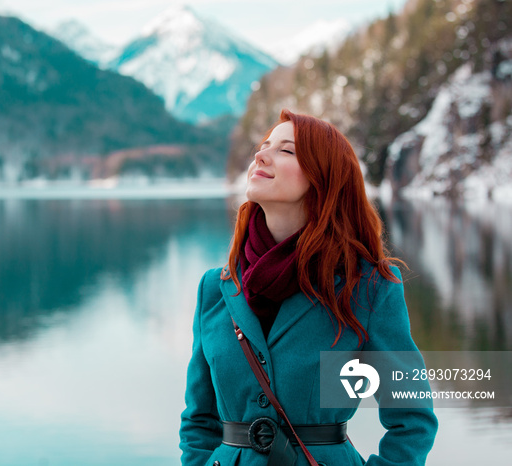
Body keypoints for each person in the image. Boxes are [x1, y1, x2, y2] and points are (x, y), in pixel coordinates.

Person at [179, 109, 437, 466]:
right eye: (264, 146)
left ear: (324, 179)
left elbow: (413, 419)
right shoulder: (215, 287)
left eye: (286, 151)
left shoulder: (369, 287)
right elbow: (198, 419)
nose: (260, 155)